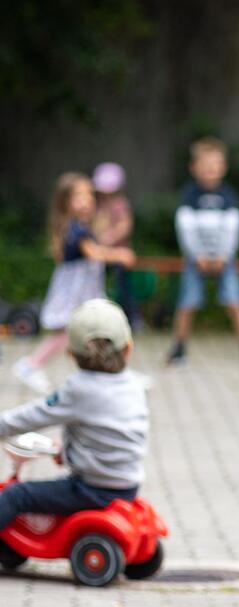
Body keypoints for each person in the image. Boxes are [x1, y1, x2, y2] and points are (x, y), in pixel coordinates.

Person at [0, 300, 147, 530]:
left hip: (92, 489)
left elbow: (32, 416)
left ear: (70, 354)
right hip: (128, 484)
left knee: (16, 495)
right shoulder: (135, 385)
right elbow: (109, 433)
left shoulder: (78, 388)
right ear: (128, 348)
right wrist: (67, 451)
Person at [12, 173, 136, 395]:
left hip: (85, 289)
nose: (87, 200)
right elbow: (94, 253)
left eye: (89, 194)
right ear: (65, 202)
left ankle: (113, 371)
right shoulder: (76, 229)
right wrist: (119, 254)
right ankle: (30, 365)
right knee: (68, 333)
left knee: (96, 328)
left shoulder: (79, 226)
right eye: (79, 196)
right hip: (75, 291)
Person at [167, 137, 239, 367]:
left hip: (224, 260)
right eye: (205, 166)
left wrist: (224, 255)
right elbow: (185, 227)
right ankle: (178, 350)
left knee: (236, 303)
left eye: (214, 166)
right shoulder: (189, 195)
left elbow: (233, 228)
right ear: (194, 168)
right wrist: (196, 254)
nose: (210, 171)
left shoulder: (228, 196)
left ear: (223, 168)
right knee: (187, 304)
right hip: (194, 260)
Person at [92, 162, 141, 328]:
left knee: (123, 284)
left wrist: (109, 238)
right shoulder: (96, 207)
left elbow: (125, 226)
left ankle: (132, 317)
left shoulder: (120, 204)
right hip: (99, 254)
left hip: (119, 253)